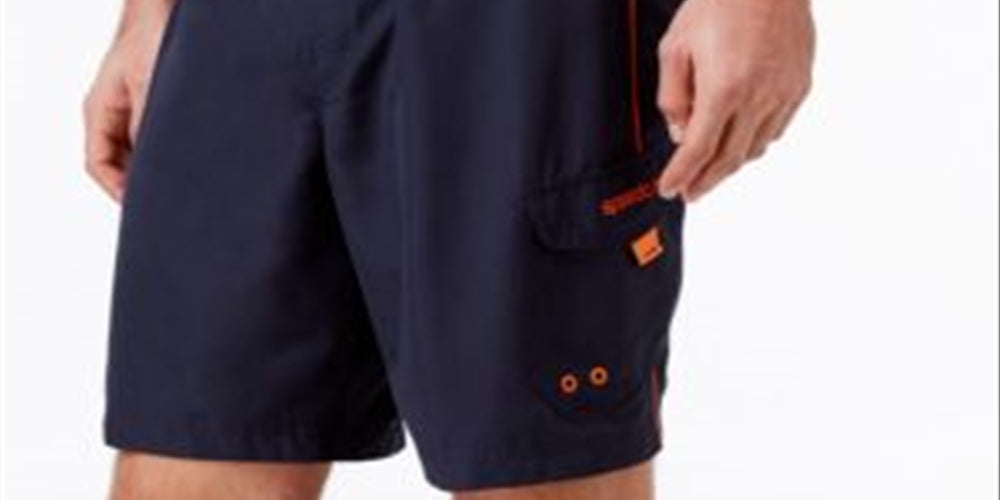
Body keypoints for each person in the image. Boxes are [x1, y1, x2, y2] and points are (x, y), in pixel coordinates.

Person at [83, 0, 815, 498]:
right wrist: (148, 11)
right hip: (237, 29)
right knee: (194, 446)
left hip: (522, 28)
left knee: (531, 463)